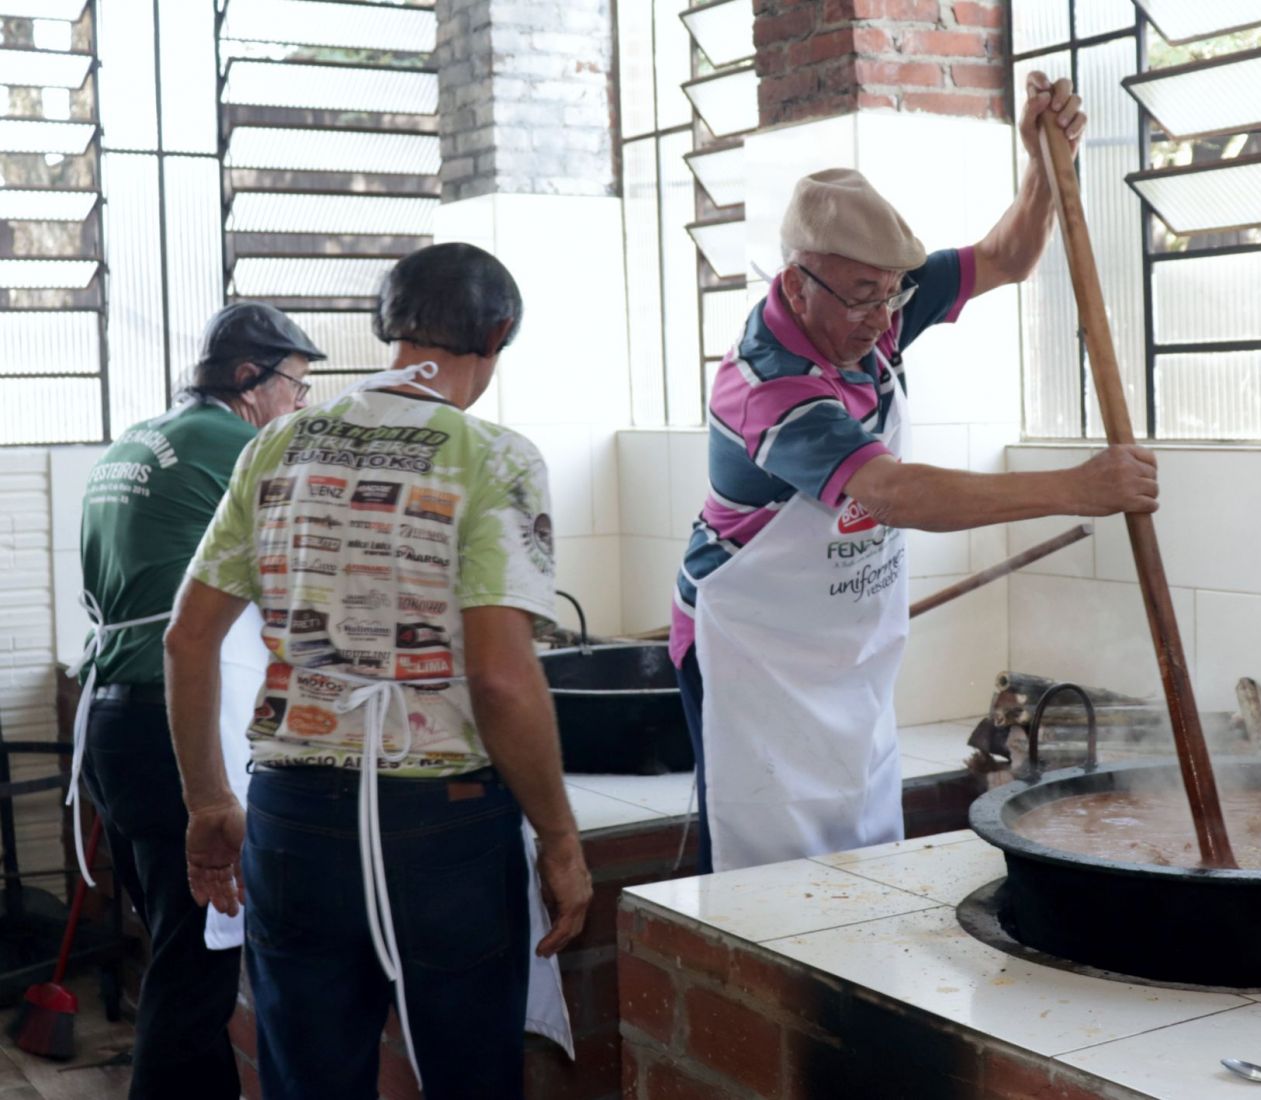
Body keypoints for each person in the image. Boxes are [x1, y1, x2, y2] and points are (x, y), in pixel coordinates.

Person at [670, 75, 1160, 873]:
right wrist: (1080, 488)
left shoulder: (878, 299)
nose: (883, 317)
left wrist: (1045, 159)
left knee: (859, 819)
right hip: (749, 645)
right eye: (863, 297)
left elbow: (1006, 257)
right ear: (799, 280)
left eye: (894, 296)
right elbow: (895, 494)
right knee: (763, 850)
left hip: (837, 639)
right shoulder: (769, 384)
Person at [165, 242, 593, 1099]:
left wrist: (212, 800)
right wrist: (559, 838)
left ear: (384, 327)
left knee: (309, 1082)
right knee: (469, 1077)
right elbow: (504, 681)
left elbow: (185, 639)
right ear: (500, 331)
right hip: (441, 829)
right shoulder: (493, 457)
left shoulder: (276, 445)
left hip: (290, 819)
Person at [72, 302, 324, 1098]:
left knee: (183, 958)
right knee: (194, 975)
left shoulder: (134, 442)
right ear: (251, 379)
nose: (300, 404)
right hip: (170, 721)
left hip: (113, 714)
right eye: (296, 385)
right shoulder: (243, 443)